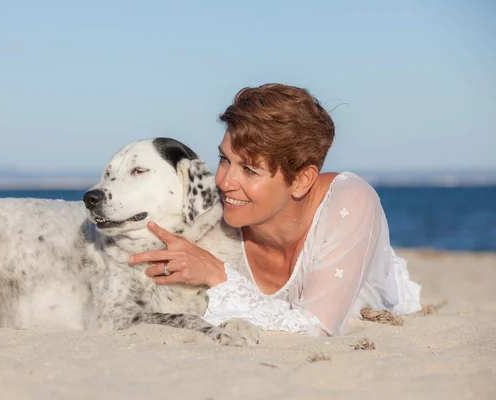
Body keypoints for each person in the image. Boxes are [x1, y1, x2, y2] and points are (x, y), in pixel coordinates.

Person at [129, 83, 421, 337]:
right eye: (224, 159)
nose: (224, 181)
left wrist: (218, 276)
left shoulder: (350, 202)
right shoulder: (215, 220)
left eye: (250, 170)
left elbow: (317, 327)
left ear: (302, 180)